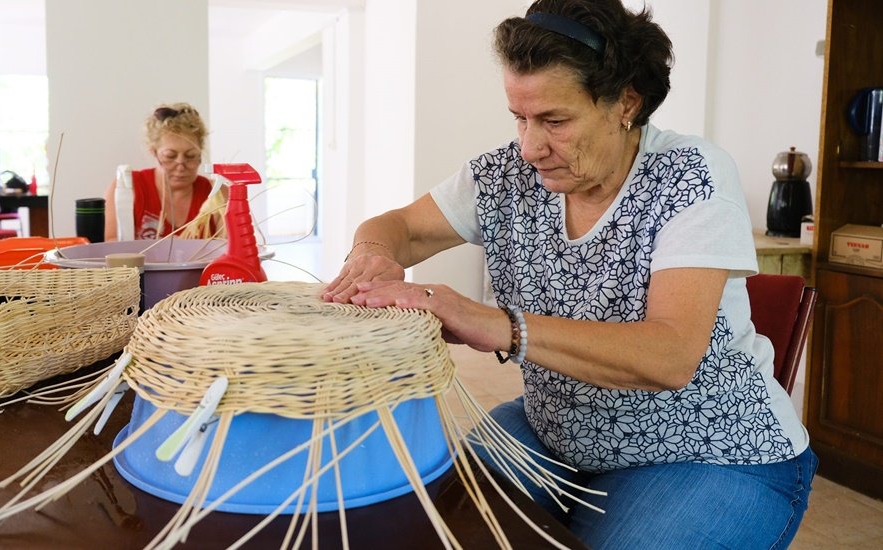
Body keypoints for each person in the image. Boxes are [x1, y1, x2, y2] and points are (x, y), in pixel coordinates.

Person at [322, 1, 816, 548]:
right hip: (555, 434)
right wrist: (372, 252)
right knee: (420, 528)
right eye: (519, 117)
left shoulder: (690, 175)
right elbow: (399, 228)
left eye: (555, 120)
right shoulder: (506, 173)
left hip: (711, 450)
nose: (530, 147)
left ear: (626, 101)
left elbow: (671, 355)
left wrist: (496, 323)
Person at [104, 102, 222, 241]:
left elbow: (231, 252)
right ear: (154, 152)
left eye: (190, 156)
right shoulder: (126, 188)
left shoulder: (217, 196)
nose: (181, 166)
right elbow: (110, 245)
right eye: (170, 156)